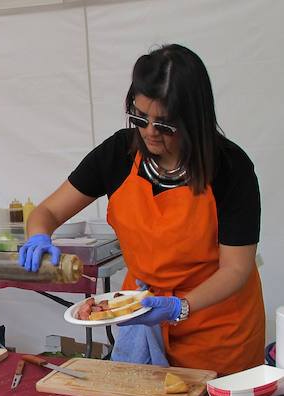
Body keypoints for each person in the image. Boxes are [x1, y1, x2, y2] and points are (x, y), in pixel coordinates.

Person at [21, 44, 264, 376]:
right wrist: (38, 237)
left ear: (193, 118)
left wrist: (181, 307)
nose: (149, 132)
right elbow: (47, 211)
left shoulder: (230, 168)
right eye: (140, 118)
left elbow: (236, 269)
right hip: (144, 312)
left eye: (164, 125)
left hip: (217, 327)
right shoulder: (118, 154)